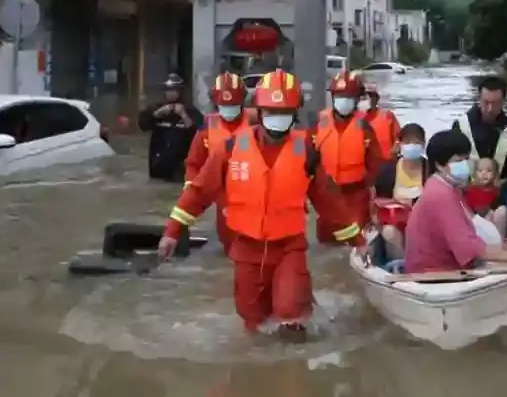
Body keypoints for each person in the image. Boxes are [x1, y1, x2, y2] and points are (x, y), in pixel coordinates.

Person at [158, 70, 365, 338]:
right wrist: (172, 232)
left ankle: (295, 355)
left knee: (291, 315)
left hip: (288, 248)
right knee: (253, 324)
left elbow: (330, 202)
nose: (277, 118)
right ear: (259, 111)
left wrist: (358, 241)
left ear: (295, 113)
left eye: (284, 112)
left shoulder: (307, 152)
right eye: (271, 111)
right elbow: (198, 193)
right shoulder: (230, 149)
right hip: (246, 249)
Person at [402, 128, 507, 275]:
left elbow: (472, 225)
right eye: (458, 161)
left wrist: (504, 250)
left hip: (446, 265)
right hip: (434, 270)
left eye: (466, 159)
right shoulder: (440, 194)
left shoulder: (448, 187)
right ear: (439, 165)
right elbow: (467, 244)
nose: (465, 164)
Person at [181, 72, 255, 252]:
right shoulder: (208, 126)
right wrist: (190, 186)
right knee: (228, 242)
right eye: (224, 105)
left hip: (253, 190)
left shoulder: (257, 122)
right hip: (222, 193)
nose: (228, 110)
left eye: (233, 105)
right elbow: (194, 162)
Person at [313, 71, 387, 243]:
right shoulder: (319, 122)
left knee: (356, 239)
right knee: (327, 239)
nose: (343, 101)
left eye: (348, 97)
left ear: (356, 99)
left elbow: (375, 163)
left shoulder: (365, 127)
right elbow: (305, 157)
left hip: (355, 195)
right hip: (327, 195)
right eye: (339, 96)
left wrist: (372, 193)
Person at [451, 74, 507, 176]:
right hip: (468, 184)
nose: (490, 109)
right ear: (479, 99)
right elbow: (453, 165)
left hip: (501, 184)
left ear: (504, 101)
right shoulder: (460, 125)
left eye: (495, 103)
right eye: (486, 102)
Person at [372, 123, 427, 259]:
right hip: (395, 223)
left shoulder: (430, 168)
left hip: (424, 222)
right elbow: (378, 200)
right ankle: (399, 263)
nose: (412, 146)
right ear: (400, 144)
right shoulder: (388, 169)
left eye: (416, 142)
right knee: (389, 232)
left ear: (423, 145)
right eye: (407, 142)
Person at [137, 74, 203, 182]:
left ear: (180, 91)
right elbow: (142, 125)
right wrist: (156, 114)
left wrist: (184, 116)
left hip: (181, 171)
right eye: (168, 90)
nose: (170, 93)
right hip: (158, 169)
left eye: (173, 90)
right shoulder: (156, 109)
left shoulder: (191, 112)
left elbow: (200, 136)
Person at [360, 82, 401, 157]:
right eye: (365, 96)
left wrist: (395, 150)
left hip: (388, 160)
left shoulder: (387, 115)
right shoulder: (357, 120)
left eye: (372, 96)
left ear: (377, 98)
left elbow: (399, 138)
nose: (369, 99)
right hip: (368, 162)